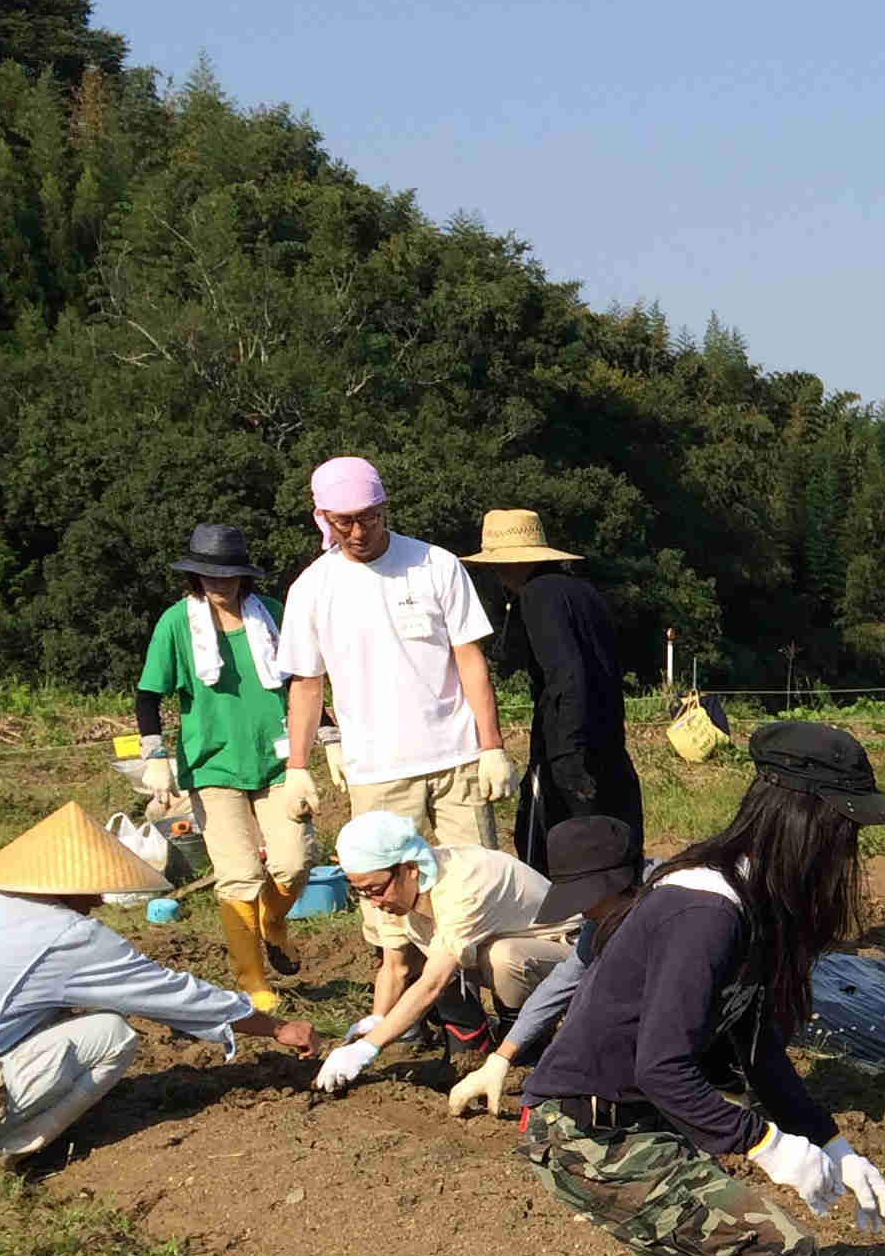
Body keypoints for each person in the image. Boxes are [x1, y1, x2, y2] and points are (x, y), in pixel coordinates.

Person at [518, 722, 885, 1256]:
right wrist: (764, 1146)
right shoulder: (705, 911)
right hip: (586, 1132)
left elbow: (756, 1053)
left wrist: (830, 1142)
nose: (850, 850)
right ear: (803, 820)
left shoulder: (748, 903)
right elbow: (664, 1065)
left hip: (628, 1125)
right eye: (844, 830)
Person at [0, 802, 313, 1165]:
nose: (99, 901)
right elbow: (169, 994)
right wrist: (275, 1029)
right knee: (110, 1034)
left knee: (41, 1012)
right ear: (60, 884)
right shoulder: (65, 936)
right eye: (93, 888)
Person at [266, 456, 512, 976]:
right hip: (378, 771)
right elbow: (307, 687)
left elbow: (470, 661)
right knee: (390, 910)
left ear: (385, 508)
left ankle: (487, 1005)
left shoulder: (435, 565)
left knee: (472, 889)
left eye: (369, 517)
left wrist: (491, 748)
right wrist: (297, 766)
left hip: (456, 760)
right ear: (322, 518)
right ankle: (420, 1010)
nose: (358, 531)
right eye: (343, 521)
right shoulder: (312, 589)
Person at [134, 524, 307, 1009]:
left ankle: (273, 922)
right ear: (195, 577)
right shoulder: (176, 623)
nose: (219, 584)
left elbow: (300, 684)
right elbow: (149, 693)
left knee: (295, 862)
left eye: (228, 575)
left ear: (243, 577)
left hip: (275, 760)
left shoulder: (270, 616)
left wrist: (328, 736)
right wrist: (154, 754)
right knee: (239, 876)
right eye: (208, 575)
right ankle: (254, 982)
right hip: (211, 765)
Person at [310, 812, 566, 1094]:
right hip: (493, 949)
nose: (373, 901)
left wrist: (368, 1048)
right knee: (437, 955)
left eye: (374, 889)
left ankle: (524, 1051)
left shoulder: (465, 882)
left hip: (564, 954)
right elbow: (396, 968)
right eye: (362, 891)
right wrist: (377, 1019)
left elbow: (433, 982)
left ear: (410, 868)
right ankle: (470, 1046)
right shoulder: (388, 892)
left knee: (499, 956)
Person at [444, 814, 650, 1118]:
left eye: (585, 896)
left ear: (612, 885)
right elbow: (564, 981)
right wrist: (501, 1058)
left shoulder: (674, 903)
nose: (581, 908)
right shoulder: (605, 914)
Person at [474, 509, 645, 867]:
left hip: (570, 743)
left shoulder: (538, 596)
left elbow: (567, 673)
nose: (493, 571)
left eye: (496, 564)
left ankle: (569, 923)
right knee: (611, 852)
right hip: (607, 739)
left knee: (552, 851)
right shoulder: (582, 591)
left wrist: (566, 755)